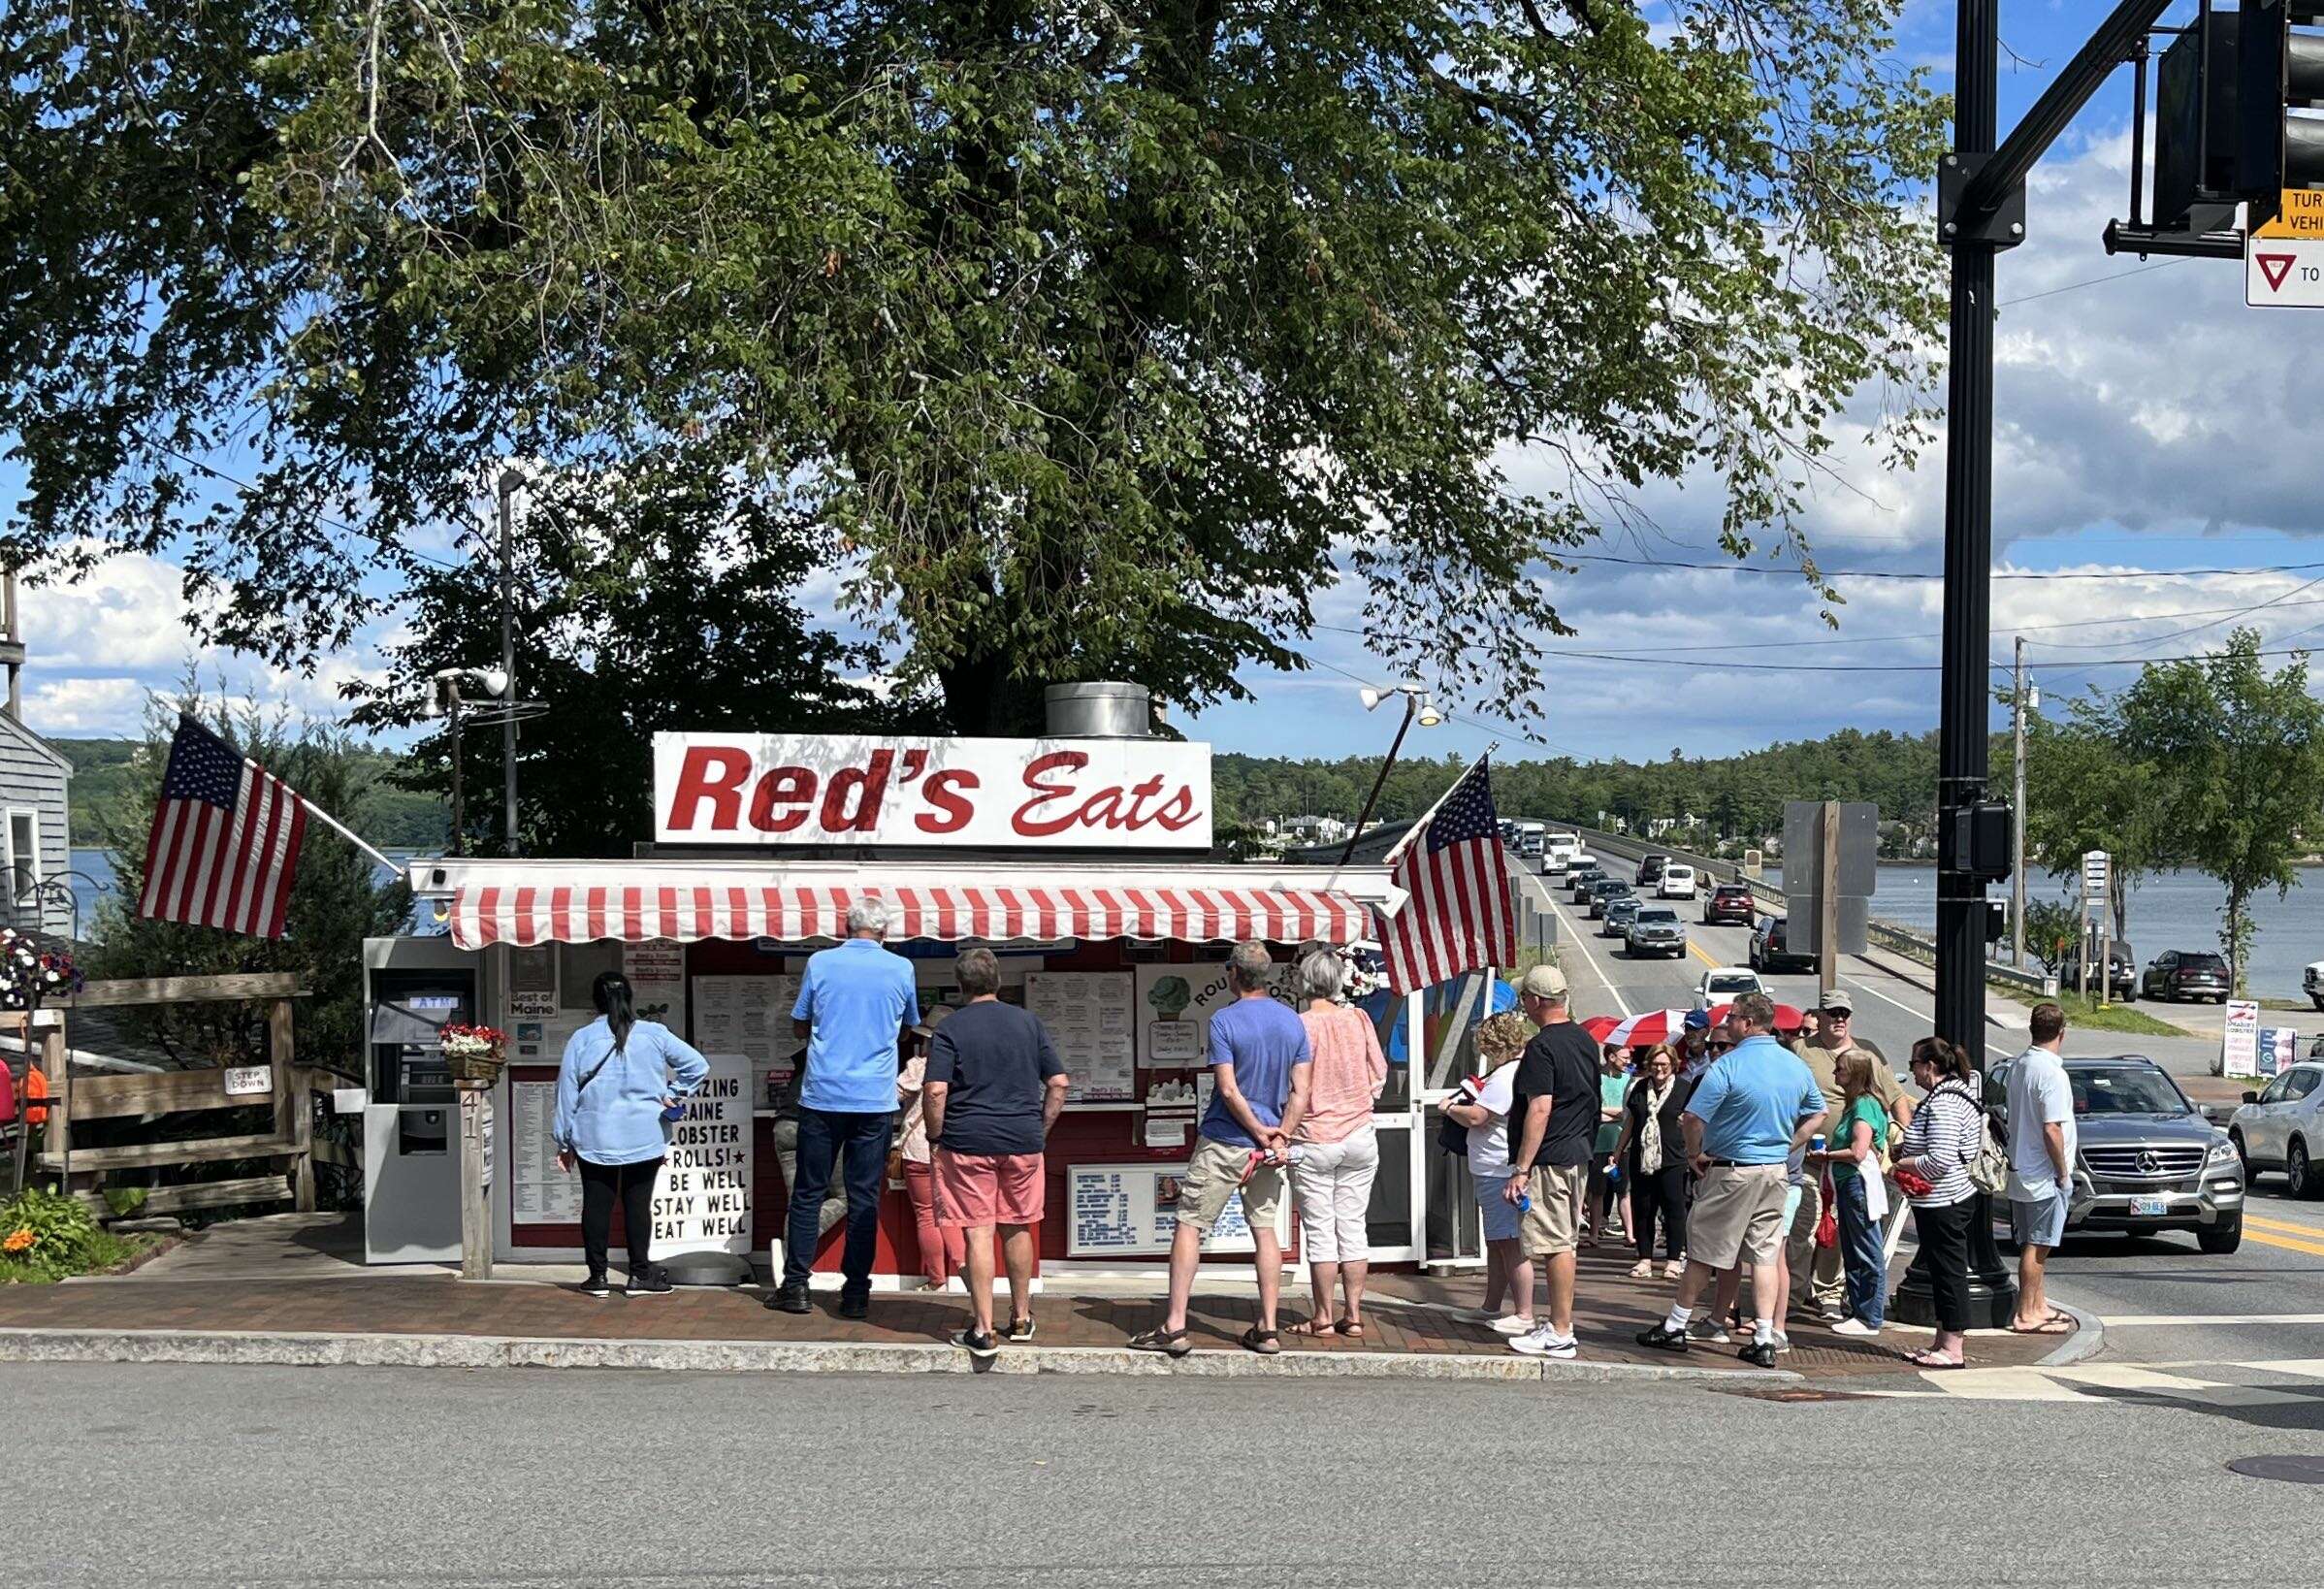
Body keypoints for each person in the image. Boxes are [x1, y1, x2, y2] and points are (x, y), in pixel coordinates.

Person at [1131, 941, 1312, 1357]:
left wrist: (1256, 1130)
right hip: (1270, 1148)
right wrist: (1279, 1134)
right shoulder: (1293, 1023)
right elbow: (1301, 1090)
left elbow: (1228, 1089)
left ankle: (1175, 1324)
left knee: (1190, 1225)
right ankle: (1268, 1328)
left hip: (1225, 1141)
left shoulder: (1223, 1020)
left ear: (1233, 972)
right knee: (1265, 1230)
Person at [1635, 993, 1826, 1368]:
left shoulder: (1728, 1066)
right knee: (1766, 1256)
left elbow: (1693, 1118)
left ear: (1749, 1023)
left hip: (1732, 1168)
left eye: (1733, 1018)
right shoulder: (1794, 1065)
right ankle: (1764, 1336)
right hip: (1775, 1170)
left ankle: (1675, 1325)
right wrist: (1788, 1144)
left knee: (1704, 1250)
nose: (1727, 1024)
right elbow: (1817, 1113)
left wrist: (1693, 1154)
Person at [768, 896, 920, 1319]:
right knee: (864, 1198)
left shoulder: (821, 963)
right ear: (884, 932)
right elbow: (908, 1025)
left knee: (808, 1193)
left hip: (822, 1095)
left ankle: (796, 1286)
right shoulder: (900, 968)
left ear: (846, 928)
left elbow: (800, 1022)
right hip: (873, 1099)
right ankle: (856, 1292)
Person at [923, 948, 1069, 1359]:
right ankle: (1021, 1318)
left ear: (960, 985)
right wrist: (1039, 1129)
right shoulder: (1028, 1023)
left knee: (978, 1231)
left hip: (968, 1142)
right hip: (1022, 1140)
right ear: (998, 982)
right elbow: (1058, 1082)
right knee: (1019, 1225)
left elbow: (935, 1090)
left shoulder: (950, 1029)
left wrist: (937, 1137)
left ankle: (984, 1330)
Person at [553, 970, 710, 1298]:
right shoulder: (654, 1033)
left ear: (595, 1001)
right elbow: (697, 1065)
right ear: (630, 998)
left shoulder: (582, 1038)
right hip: (645, 1135)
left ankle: (597, 1278)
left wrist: (563, 1141)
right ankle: (640, 1274)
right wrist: (675, 1093)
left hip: (594, 1136)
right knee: (638, 1206)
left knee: (596, 1206)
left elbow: (566, 1094)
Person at [1500, 963, 1599, 1360]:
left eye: (1525, 997)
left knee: (1556, 1244)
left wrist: (1521, 1168)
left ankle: (1561, 1330)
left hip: (1551, 1157)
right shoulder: (1584, 1039)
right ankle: (1559, 1324)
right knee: (1563, 1241)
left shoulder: (1543, 1047)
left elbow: (1539, 1108)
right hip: (1576, 1151)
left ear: (1538, 1001)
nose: (1523, 1003)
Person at [1794, 988, 1912, 1320]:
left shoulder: (1866, 1057)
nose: (1840, 1020)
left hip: (1848, 1163)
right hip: (1807, 1158)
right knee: (1803, 1224)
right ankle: (1791, 1293)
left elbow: (1898, 1099)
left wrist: (1910, 1140)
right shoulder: (1801, 1050)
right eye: (1834, 1014)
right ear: (1820, 1016)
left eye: (1845, 1014)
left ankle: (1828, 1293)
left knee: (1840, 1232)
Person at [1289, 949, 1389, 1338]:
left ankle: (1323, 1316)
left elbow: (1294, 1084)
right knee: (1352, 1225)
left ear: (1305, 982)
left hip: (1314, 1136)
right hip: (1359, 1133)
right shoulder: (1358, 1018)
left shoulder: (1299, 1026)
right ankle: (1354, 1314)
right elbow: (1378, 1072)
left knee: (1320, 1230)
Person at [1893, 1035, 1985, 1369]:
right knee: (1942, 1271)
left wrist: (1902, 1162)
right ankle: (1941, 1341)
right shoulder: (1952, 1095)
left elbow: (1940, 1159)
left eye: (1914, 1064)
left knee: (1949, 1272)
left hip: (1945, 1200)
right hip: (1940, 1199)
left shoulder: (1945, 1103)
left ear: (1929, 1066)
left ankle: (1952, 1348)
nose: (1912, 1072)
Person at [1447, 1011, 1535, 1333]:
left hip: (1497, 1168)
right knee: (1498, 1242)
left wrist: (1450, 1107)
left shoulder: (1505, 1076)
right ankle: (1491, 1306)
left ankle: (1524, 1313)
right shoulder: (1515, 1072)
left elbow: (1478, 1116)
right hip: (1491, 1167)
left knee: (1509, 1243)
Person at [2005, 1002, 2077, 1336]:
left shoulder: (2020, 1065)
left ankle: (2038, 1305)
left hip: (2022, 1169)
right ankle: (2026, 1314)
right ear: (2062, 1034)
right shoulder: (2052, 1073)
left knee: (2034, 1245)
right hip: (2042, 1175)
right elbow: (2052, 1128)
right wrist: (2063, 1173)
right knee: (2038, 1245)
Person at [1811, 1049, 1890, 1336]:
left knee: (1866, 1249)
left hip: (1857, 1183)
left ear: (1856, 1074)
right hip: (1849, 1184)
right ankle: (1860, 1310)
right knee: (1854, 1248)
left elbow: (1859, 1151)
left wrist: (1827, 1156)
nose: (1835, 1075)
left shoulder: (1864, 1106)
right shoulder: (1858, 1104)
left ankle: (1869, 1316)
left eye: (1841, 1070)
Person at [895, 1006, 965, 1294]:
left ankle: (937, 1280)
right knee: (951, 1215)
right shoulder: (963, 1067)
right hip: (955, 1149)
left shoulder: (919, 1066)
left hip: (919, 1150)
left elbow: (891, 1096)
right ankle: (968, 1275)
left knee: (927, 1214)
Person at [1610, 1045, 1690, 1280]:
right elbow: (1631, 1122)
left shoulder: (1685, 1089)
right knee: (1643, 1209)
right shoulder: (1639, 1088)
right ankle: (1644, 1258)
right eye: (1655, 1064)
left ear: (1673, 1065)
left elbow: (1692, 1123)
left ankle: (1673, 1260)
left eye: (1664, 1064)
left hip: (1672, 1158)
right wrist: (1618, 1150)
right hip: (1641, 1157)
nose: (1659, 1069)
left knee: (1674, 1209)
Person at [1584, 1047, 1631, 1247]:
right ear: (1611, 1057)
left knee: (1624, 1190)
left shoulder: (1628, 1080)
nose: (1628, 1061)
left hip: (1621, 1143)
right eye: (1625, 1057)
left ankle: (1630, 1234)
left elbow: (1626, 1112)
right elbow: (1592, 1110)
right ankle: (1593, 1235)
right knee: (1597, 1191)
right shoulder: (1597, 1079)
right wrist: (1615, 1113)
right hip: (1598, 1143)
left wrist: (1607, 1113)